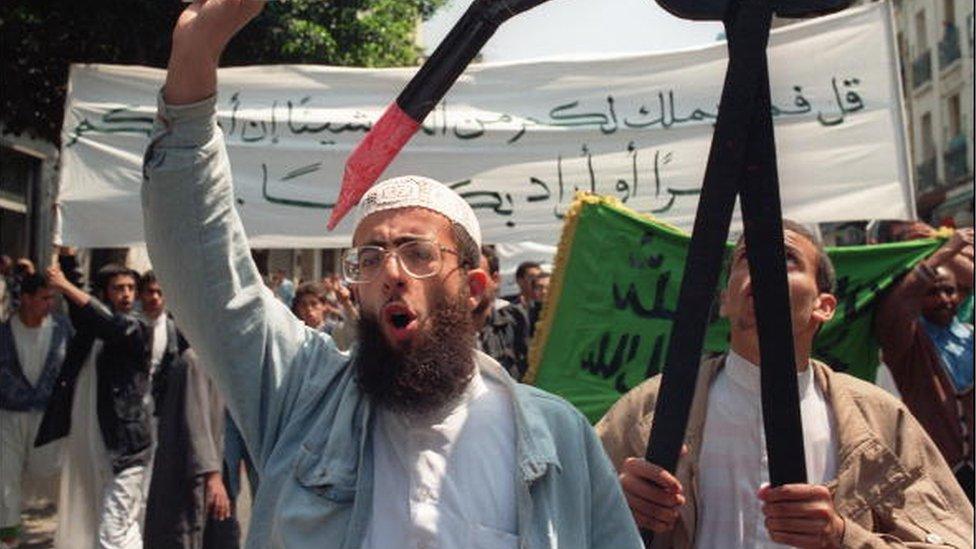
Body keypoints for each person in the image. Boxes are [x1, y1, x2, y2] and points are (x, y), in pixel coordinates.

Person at [142, 2, 640, 546]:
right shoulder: (302, 398)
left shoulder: (558, 436)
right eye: (371, 259)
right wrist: (195, 52)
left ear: (476, 291)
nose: (391, 274)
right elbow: (208, 271)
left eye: (417, 253)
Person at [596, 220, 974, 547]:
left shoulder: (878, 420)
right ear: (725, 300)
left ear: (823, 306)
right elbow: (560, 520)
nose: (764, 266)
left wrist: (841, 537)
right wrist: (616, 503)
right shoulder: (652, 408)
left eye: (787, 259)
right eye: (747, 258)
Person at [36, 263, 153, 549]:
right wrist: (67, 258)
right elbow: (84, 311)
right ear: (104, 294)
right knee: (111, 525)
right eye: (118, 289)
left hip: (125, 448)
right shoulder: (92, 330)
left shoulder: (137, 327)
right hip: (94, 442)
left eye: (130, 288)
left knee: (114, 531)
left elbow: (109, 324)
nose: (126, 295)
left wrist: (64, 285)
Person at [875, 227, 975, 500]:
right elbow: (893, 311)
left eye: (949, 291)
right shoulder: (910, 344)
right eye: (932, 292)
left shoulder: (970, 334)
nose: (944, 300)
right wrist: (942, 254)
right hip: (937, 471)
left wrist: (946, 244)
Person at [141, 272, 236, 548]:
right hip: (189, 476)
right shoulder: (195, 361)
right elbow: (197, 425)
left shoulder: (212, 361)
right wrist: (213, 476)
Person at [0, 273, 71, 547]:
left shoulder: (62, 330)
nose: (49, 304)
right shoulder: (5, 333)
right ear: (26, 299)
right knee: (5, 478)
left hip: (48, 416)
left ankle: (63, 532)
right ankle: (7, 539)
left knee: (51, 475)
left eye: (51, 298)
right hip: (8, 415)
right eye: (43, 298)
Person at [476, 246, 530, 380]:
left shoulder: (514, 320)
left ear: (495, 279)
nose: (469, 284)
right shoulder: (441, 330)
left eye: (478, 278)